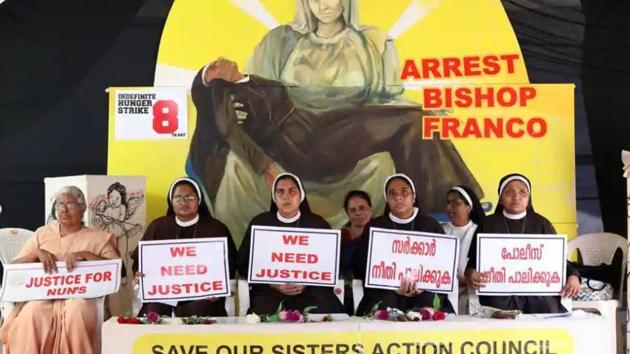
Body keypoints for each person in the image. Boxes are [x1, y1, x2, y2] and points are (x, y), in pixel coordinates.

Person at [188, 0, 483, 242]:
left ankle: (454, 204)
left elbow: (383, 97)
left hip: (336, 124)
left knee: (419, 119)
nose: (324, 5)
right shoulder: (263, 56)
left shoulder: (371, 40)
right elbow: (232, 132)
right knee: (413, 122)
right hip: (303, 141)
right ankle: (449, 204)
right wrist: (268, 169)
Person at [0, 186, 120, 354]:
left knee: (77, 311)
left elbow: (115, 268)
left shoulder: (98, 238)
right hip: (42, 296)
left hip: (81, 297)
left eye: (69, 205)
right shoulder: (42, 234)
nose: (63, 210)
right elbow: (14, 266)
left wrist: (86, 255)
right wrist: (36, 254)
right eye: (59, 205)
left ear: (82, 208)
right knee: (33, 312)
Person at [464, 173, 580, 313]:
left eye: (522, 192)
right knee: (495, 304)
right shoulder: (487, 224)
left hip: (536, 293)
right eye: (509, 192)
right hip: (501, 293)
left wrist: (573, 276)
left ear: (528, 198)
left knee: (546, 304)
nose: (516, 197)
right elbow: (471, 266)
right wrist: (471, 274)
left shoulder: (542, 224)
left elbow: (559, 262)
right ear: (500, 199)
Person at [237, 172, 345, 314]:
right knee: (262, 312)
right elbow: (243, 263)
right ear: (274, 198)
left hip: (310, 291)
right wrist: (273, 283)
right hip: (271, 292)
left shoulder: (317, 224)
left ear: (301, 196)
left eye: (292, 191)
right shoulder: (261, 223)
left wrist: (307, 282)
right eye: (280, 192)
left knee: (328, 310)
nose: (286, 196)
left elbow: (331, 265)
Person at [130, 177, 238, 317]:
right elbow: (140, 263)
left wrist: (218, 289)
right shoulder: (158, 227)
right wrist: (140, 275)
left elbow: (229, 266)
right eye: (178, 197)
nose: (183, 202)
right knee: (154, 312)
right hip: (165, 294)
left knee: (200, 310)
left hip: (203, 295)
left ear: (199, 200)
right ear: (171, 201)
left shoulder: (216, 229)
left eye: (189, 197)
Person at [353, 174, 454, 315]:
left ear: (413, 198)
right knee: (385, 303)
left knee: (429, 303)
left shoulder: (430, 225)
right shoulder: (376, 226)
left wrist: (422, 285)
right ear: (387, 200)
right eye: (392, 194)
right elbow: (361, 264)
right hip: (386, 290)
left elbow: (443, 266)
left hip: (424, 291)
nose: (398, 197)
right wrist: (393, 286)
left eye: (404, 193)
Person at [442, 185, 485, 314]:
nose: (449, 207)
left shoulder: (481, 232)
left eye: (455, 203)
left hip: (473, 294)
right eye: (448, 203)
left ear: (468, 207)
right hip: (444, 294)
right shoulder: (439, 230)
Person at [340, 190, 373, 314]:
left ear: (370, 209)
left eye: (362, 208)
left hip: (374, 292)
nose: (358, 212)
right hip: (344, 292)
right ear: (348, 213)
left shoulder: (381, 236)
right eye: (353, 210)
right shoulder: (342, 236)